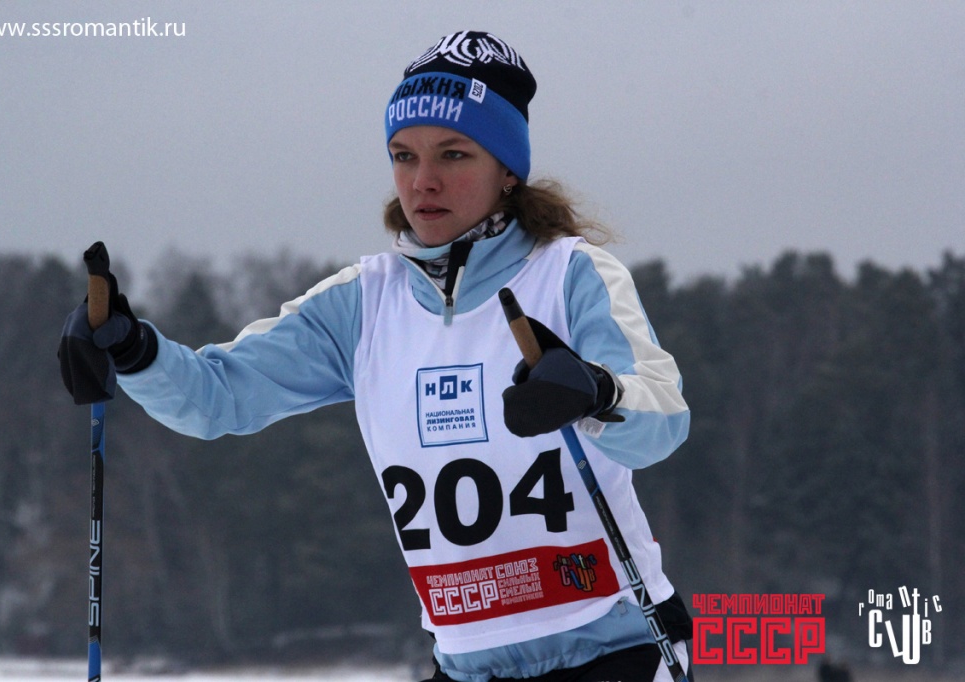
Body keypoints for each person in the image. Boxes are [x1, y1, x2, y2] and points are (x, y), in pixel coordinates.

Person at [59, 30, 694, 682]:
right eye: (403, 156)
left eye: (453, 154)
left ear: (507, 169)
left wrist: (596, 392)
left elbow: (664, 420)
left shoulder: (570, 275)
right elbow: (216, 397)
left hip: (614, 649)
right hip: (466, 666)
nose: (423, 181)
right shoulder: (363, 303)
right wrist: (132, 349)